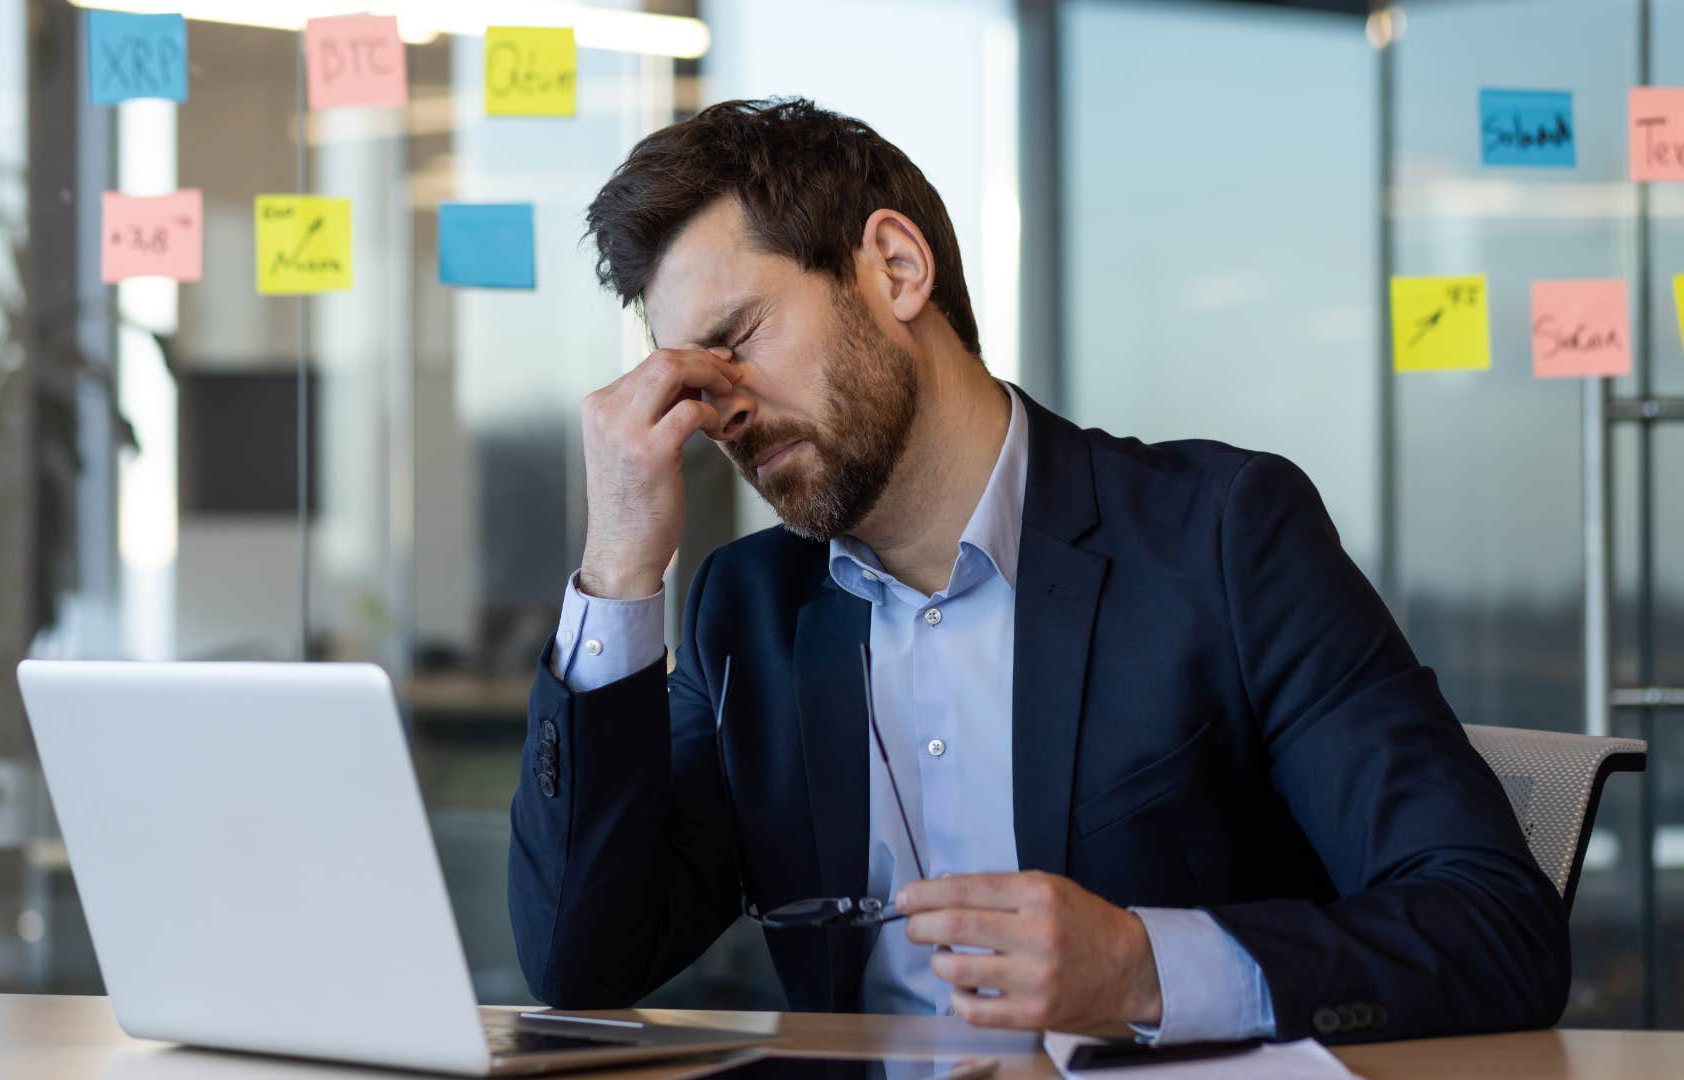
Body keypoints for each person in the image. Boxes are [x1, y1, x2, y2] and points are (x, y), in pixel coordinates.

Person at [508, 97, 1568, 1045]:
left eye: (738, 339)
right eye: (686, 375)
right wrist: (617, 571)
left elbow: (1493, 925)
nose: (716, 408)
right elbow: (581, 963)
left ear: (896, 269)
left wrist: (1147, 968)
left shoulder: (1221, 537)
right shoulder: (749, 610)